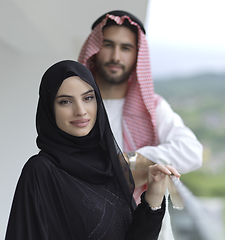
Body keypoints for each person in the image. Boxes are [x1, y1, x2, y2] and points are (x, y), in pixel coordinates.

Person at [5, 60, 181, 240]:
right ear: (50, 109)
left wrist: (153, 197)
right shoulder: (41, 171)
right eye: (65, 101)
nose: (80, 111)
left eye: (88, 98)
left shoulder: (108, 164)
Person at [78, 9, 203, 202]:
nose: (116, 56)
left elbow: (191, 152)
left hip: (141, 223)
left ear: (137, 55)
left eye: (126, 48)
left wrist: (131, 159)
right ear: (94, 50)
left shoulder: (152, 106)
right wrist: (136, 172)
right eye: (108, 45)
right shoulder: (74, 106)